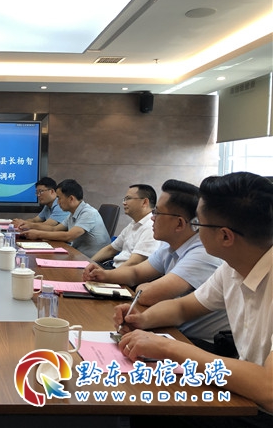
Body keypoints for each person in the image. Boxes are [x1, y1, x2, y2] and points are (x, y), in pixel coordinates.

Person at [115, 172, 273, 426]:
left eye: (199, 224)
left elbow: (269, 389)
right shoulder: (232, 267)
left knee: (154, 405)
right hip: (246, 391)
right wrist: (142, 319)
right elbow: (182, 307)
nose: (194, 230)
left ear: (225, 236)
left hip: (263, 409)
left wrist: (168, 348)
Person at [84, 179, 229, 348]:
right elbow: (136, 273)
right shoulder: (170, 245)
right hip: (173, 329)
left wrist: (143, 289)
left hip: (201, 343)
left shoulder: (203, 254)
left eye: (157, 213)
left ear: (179, 223)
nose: (152, 218)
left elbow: (147, 294)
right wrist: (104, 274)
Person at [21, 179, 111, 257]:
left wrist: (38, 234)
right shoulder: (72, 213)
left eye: (59, 198)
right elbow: (54, 229)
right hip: (78, 255)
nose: (58, 202)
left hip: (93, 261)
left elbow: (69, 236)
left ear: (71, 198)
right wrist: (32, 229)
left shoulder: (89, 213)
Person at [90, 184, 160, 269]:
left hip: (121, 273)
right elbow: (110, 249)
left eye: (128, 198)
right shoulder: (133, 224)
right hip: (113, 269)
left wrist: (107, 274)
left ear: (144, 202)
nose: (124, 203)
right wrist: (88, 263)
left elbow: (134, 262)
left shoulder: (151, 227)